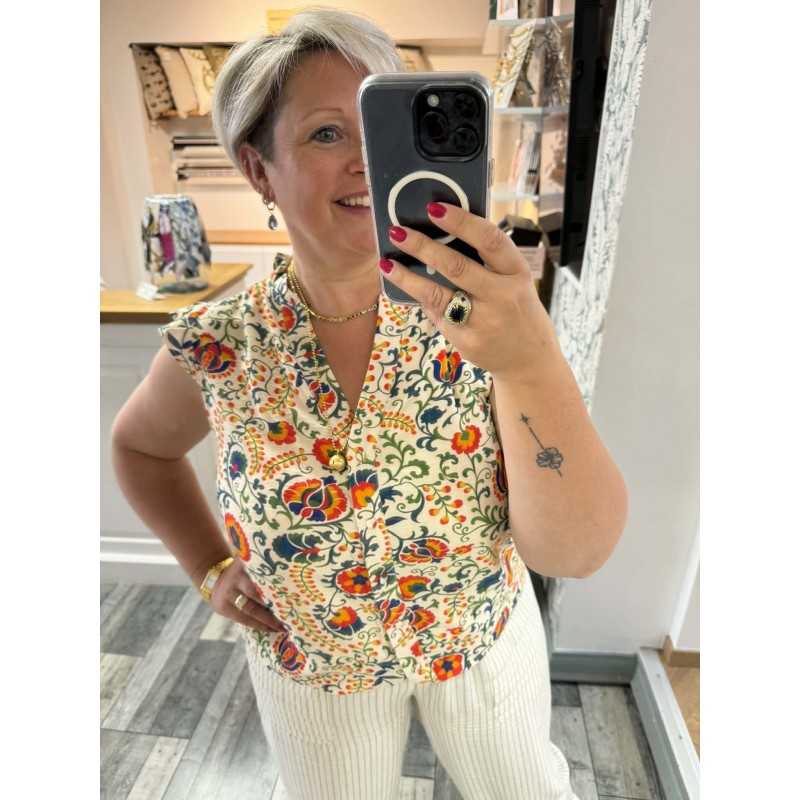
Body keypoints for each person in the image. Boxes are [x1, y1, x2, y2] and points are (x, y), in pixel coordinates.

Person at [111, 6, 628, 799]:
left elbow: (578, 550)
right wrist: (207, 564)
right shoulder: (222, 344)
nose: (366, 163)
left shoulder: (482, 317)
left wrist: (531, 358)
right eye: (326, 133)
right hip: (317, 666)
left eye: (382, 132)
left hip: (477, 641)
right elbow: (140, 447)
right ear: (259, 170)